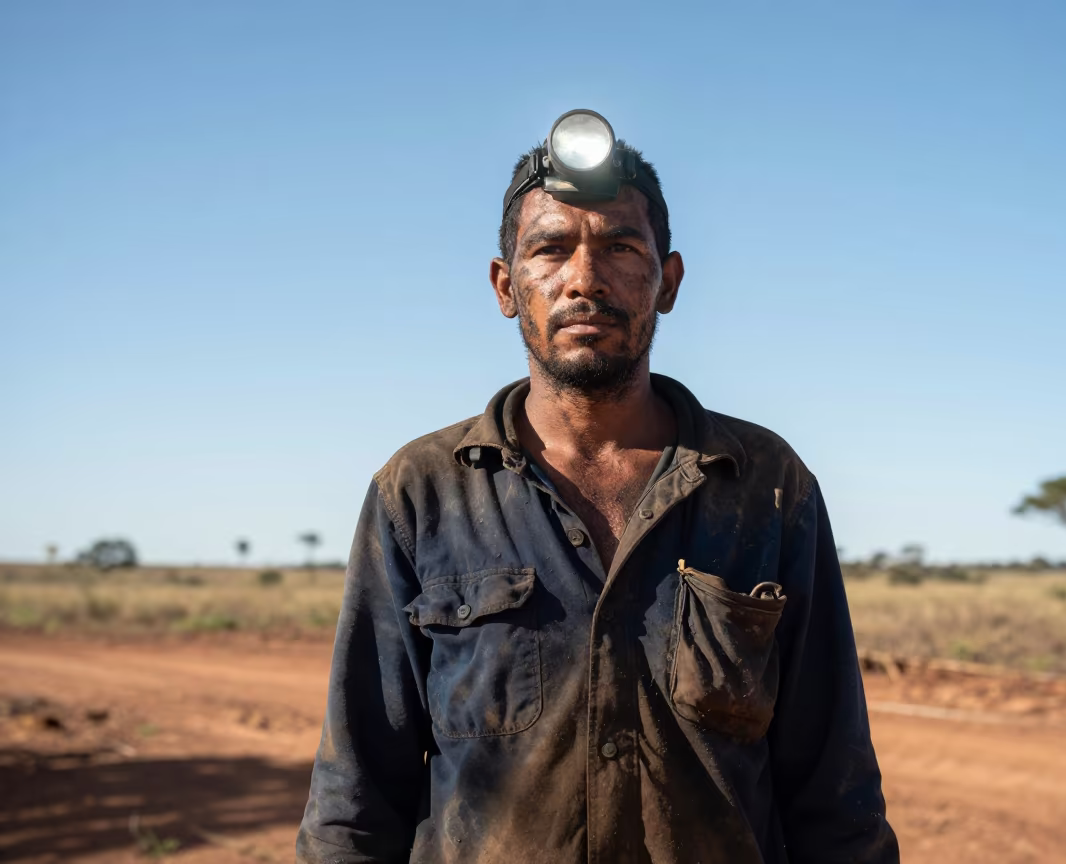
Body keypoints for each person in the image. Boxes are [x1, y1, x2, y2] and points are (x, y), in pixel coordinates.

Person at [297, 110, 899, 864]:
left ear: (668, 280)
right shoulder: (419, 493)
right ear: (506, 286)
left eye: (619, 246)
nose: (584, 278)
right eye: (550, 249)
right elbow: (356, 797)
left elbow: (833, 791)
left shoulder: (767, 487)